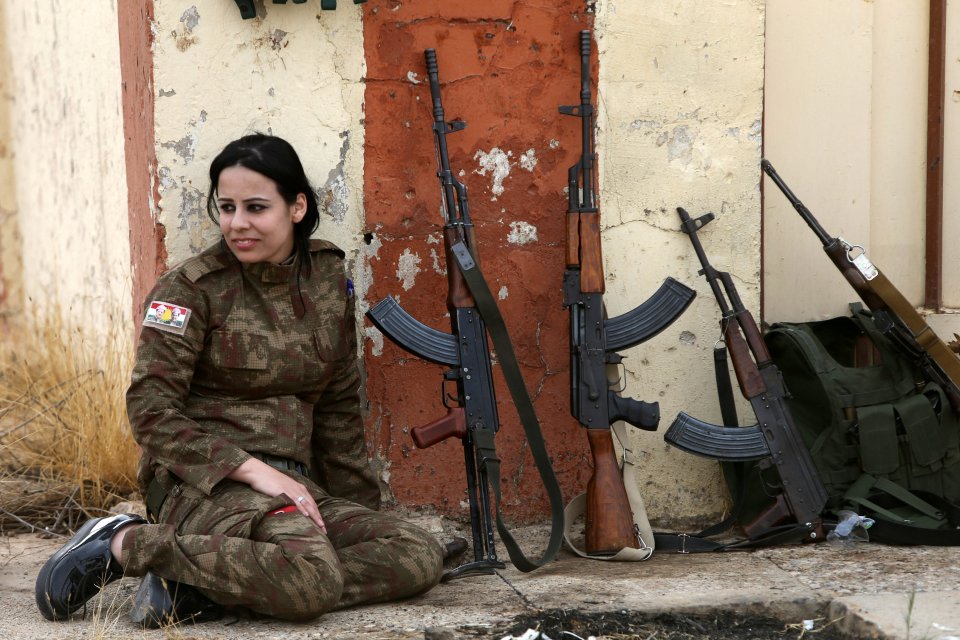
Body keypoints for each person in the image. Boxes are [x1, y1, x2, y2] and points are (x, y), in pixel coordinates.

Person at [35, 133, 444, 625]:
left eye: (255, 207)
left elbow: (338, 406)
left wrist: (359, 514)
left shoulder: (328, 281)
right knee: (311, 578)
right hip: (204, 487)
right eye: (226, 207)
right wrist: (250, 469)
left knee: (417, 553)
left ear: (296, 207)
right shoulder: (189, 290)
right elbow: (150, 412)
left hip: (294, 486)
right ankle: (125, 542)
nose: (237, 223)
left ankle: (201, 588)